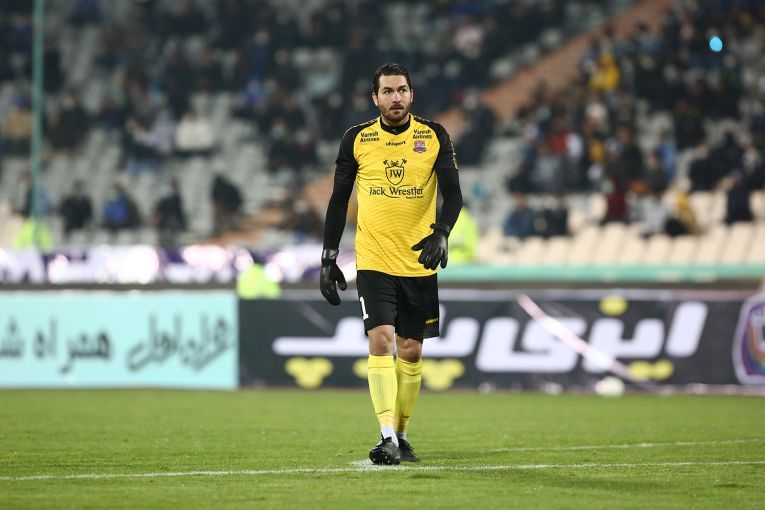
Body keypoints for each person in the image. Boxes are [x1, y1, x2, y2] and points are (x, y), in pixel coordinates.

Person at [320, 63, 463, 465]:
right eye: (387, 91)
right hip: (373, 259)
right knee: (381, 339)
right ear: (375, 98)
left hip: (418, 260)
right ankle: (386, 436)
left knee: (411, 350)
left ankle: (401, 435)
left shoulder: (434, 136)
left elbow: (453, 194)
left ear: (411, 95)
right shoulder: (356, 139)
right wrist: (329, 257)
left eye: (401, 90)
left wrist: (442, 232)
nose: (395, 97)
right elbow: (338, 201)